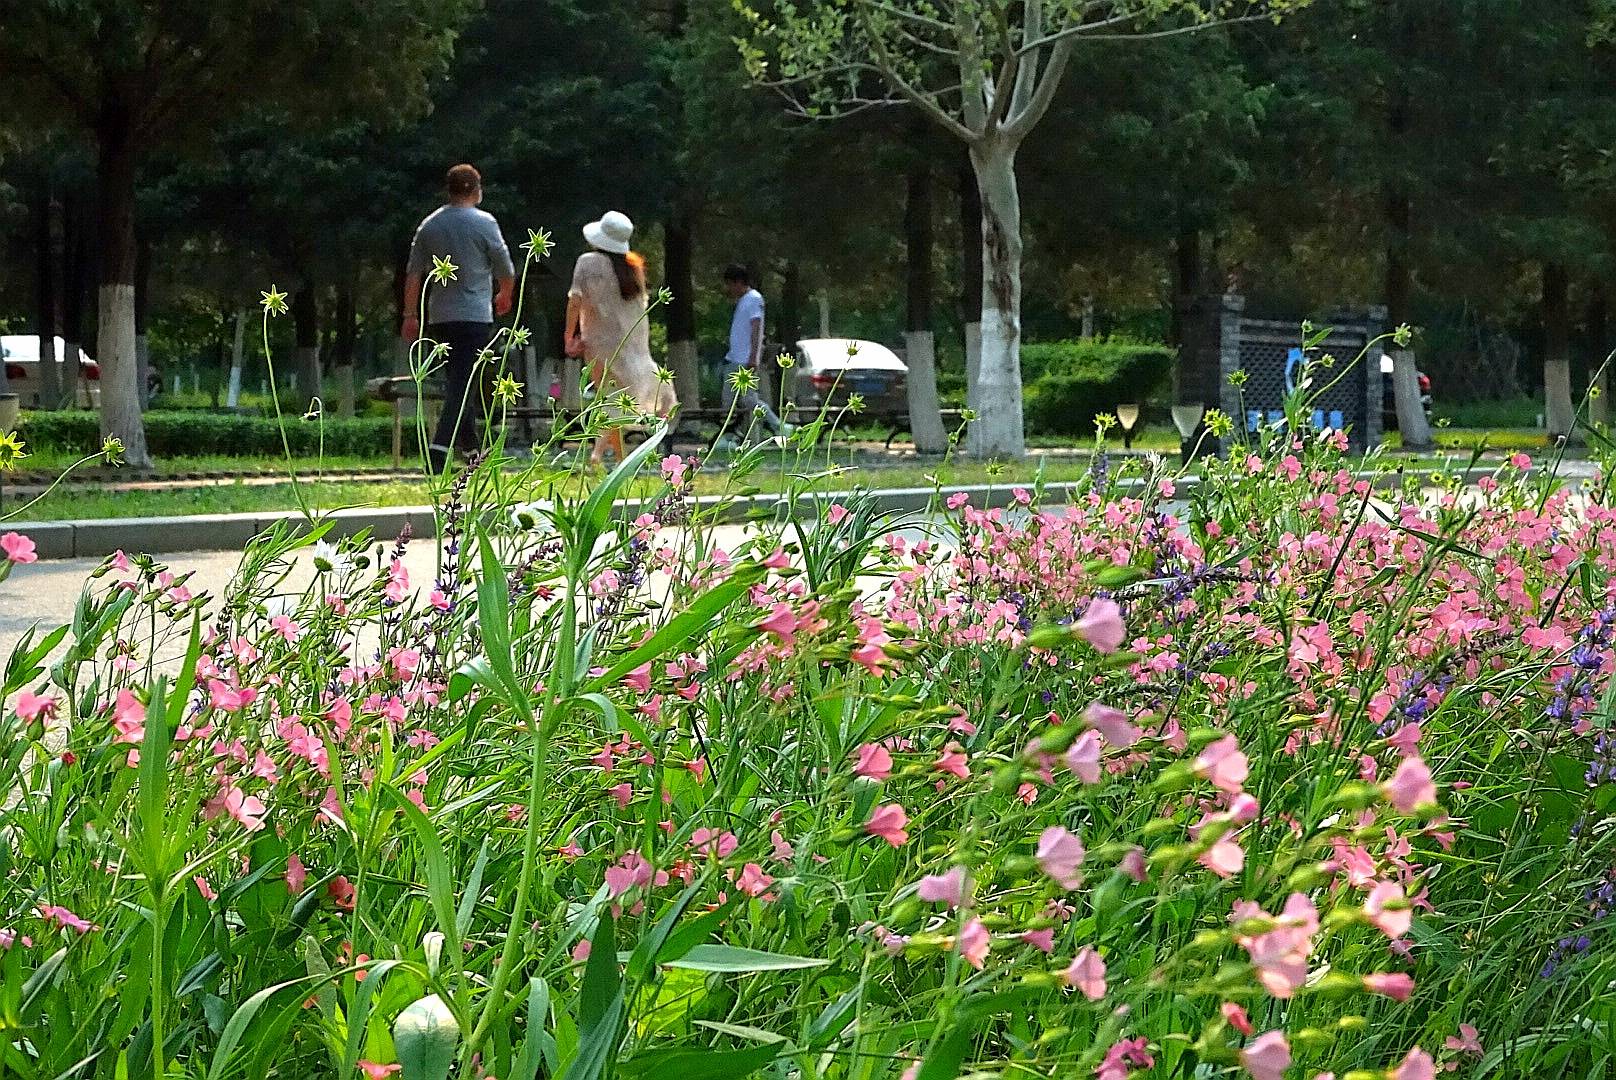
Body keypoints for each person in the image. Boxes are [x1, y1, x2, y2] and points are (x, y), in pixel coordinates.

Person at [401, 163, 517, 473]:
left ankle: (471, 449)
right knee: (463, 384)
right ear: (476, 190)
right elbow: (505, 266)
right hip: (475, 316)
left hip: (440, 316)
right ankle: (438, 450)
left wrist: (410, 314)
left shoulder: (430, 226)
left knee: (458, 379)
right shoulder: (485, 223)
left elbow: (413, 274)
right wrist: (505, 294)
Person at [565, 211, 676, 468]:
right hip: (631, 345)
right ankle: (611, 458)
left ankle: (602, 457)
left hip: (598, 345)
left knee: (611, 399)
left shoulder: (587, 262)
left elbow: (575, 301)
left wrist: (568, 336)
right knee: (619, 399)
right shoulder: (632, 267)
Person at [716, 264, 789, 451]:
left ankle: (778, 426)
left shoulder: (754, 299)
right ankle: (730, 436)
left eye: (730, 284)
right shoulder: (743, 301)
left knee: (747, 399)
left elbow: (757, 329)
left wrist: (754, 357)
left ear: (739, 282)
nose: (728, 289)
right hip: (734, 358)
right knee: (731, 400)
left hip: (743, 360)